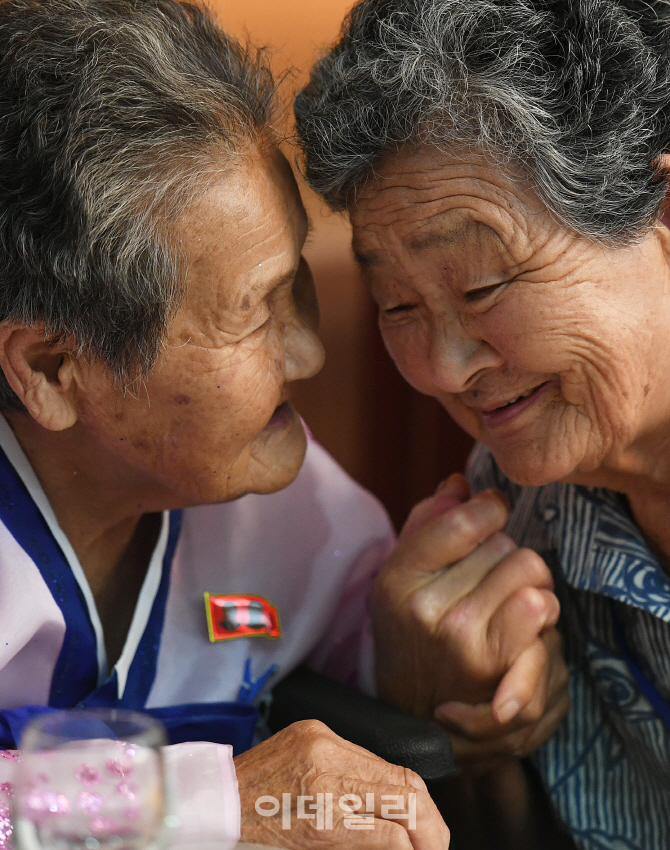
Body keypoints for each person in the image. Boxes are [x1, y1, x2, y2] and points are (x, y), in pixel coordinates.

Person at [0, 0, 569, 848]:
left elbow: (368, 664)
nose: (309, 353)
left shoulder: (289, 509)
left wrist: (439, 661)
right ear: (52, 371)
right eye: (253, 311)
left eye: (295, 277)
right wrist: (210, 807)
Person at [295, 0, 670, 847]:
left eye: (481, 289)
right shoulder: (509, 510)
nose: (442, 370)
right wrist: (443, 727)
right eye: (396, 304)